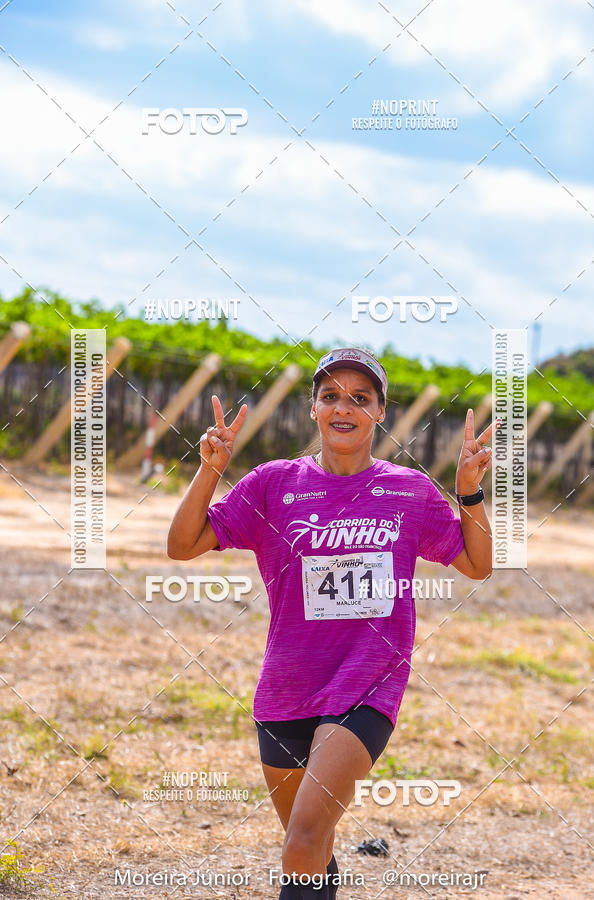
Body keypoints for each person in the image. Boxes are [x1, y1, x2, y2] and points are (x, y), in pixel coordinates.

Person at [167, 347, 498, 899]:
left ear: (380, 413)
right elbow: (182, 545)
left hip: (366, 685)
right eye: (330, 396)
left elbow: (478, 564)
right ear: (314, 409)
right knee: (312, 852)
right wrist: (209, 471)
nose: (344, 408)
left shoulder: (409, 491)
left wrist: (468, 490)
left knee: (299, 844)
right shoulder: (274, 484)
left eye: (360, 399)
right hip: (285, 689)